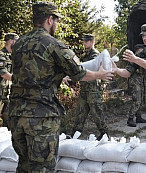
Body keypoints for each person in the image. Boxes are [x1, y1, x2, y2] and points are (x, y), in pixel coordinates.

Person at [8, 1, 113, 172]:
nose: (57, 24)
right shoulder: (53, 44)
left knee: (24, 166)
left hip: (16, 115)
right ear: (50, 19)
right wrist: (100, 74)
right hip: (41, 118)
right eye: (56, 20)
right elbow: (78, 72)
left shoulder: (18, 44)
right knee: (42, 168)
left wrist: (57, 76)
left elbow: (32, 73)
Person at [74, 34, 108, 140]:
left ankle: (104, 133)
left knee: (96, 112)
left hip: (93, 88)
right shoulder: (85, 55)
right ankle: (74, 133)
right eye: (84, 41)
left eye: (87, 41)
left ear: (92, 41)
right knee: (80, 112)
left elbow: (93, 67)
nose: (85, 43)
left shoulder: (96, 55)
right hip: (85, 88)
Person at [0, 33, 19, 127]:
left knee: (8, 123)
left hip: (6, 95)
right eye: (16, 42)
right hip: (1, 94)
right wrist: (19, 80)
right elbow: (3, 73)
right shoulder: (1, 55)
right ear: (11, 41)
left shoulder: (12, 56)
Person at [127, 44, 146, 127]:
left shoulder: (139, 59)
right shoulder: (134, 59)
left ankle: (138, 117)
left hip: (140, 80)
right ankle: (130, 118)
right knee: (137, 100)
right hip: (134, 81)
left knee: (141, 99)